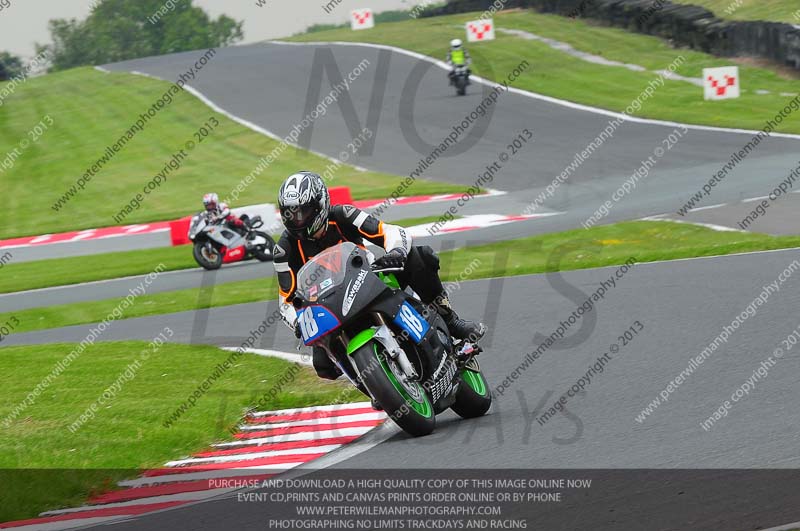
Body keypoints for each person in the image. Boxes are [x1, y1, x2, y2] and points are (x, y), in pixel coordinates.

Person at [272, 171, 486, 382]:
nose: (297, 220)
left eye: (303, 212)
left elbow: (391, 232)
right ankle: (372, 382)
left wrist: (396, 251)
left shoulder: (344, 214)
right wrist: (298, 322)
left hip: (368, 279)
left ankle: (451, 321)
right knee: (323, 366)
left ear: (320, 204)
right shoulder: (283, 250)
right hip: (328, 306)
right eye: (290, 214)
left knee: (420, 257)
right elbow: (285, 302)